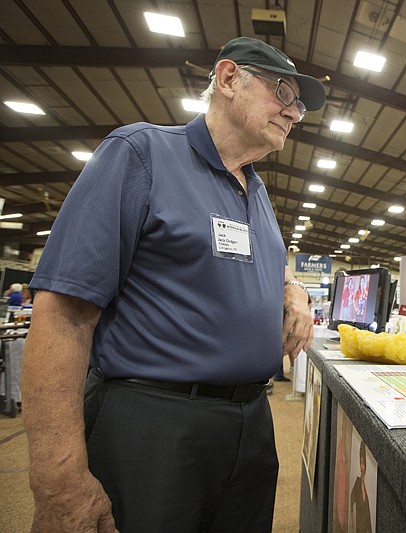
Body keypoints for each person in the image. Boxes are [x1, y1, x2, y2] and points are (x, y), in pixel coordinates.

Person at [22, 36, 324, 532]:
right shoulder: (140, 154)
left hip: (250, 425)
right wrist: (58, 476)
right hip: (153, 427)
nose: (294, 114)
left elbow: (264, 262)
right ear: (228, 79)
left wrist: (293, 288)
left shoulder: (258, 191)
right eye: (284, 94)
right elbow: (63, 313)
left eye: (300, 107)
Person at [350, 440, 373, 533]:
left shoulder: (368, 486)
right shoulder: (357, 483)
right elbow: (351, 503)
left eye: (364, 463)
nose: (362, 466)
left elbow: (368, 514)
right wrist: (353, 524)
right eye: (361, 462)